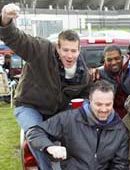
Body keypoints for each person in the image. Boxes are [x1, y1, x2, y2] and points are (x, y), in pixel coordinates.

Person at [0, 3, 91, 169]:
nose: (69, 56)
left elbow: (87, 94)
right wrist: (5, 19)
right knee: (37, 136)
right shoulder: (40, 49)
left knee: (77, 139)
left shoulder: (83, 73)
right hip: (29, 105)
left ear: (79, 50)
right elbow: (16, 39)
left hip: (57, 112)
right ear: (57, 47)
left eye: (73, 51)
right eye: (65, 50)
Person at [26, 80, 129, 170]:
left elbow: (120, 164)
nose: (103, 109)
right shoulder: (70, 118)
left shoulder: (119, 128)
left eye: (108, 104)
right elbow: (34, 132)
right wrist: (50, 147)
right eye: (98, 104)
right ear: (90, 100)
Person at [97, 45, 130, 118]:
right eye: (109, 60)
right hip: (113, 117)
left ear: (122, 57)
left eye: (116, 58)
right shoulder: (99, 74)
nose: (113, 62)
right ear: (104, 60)